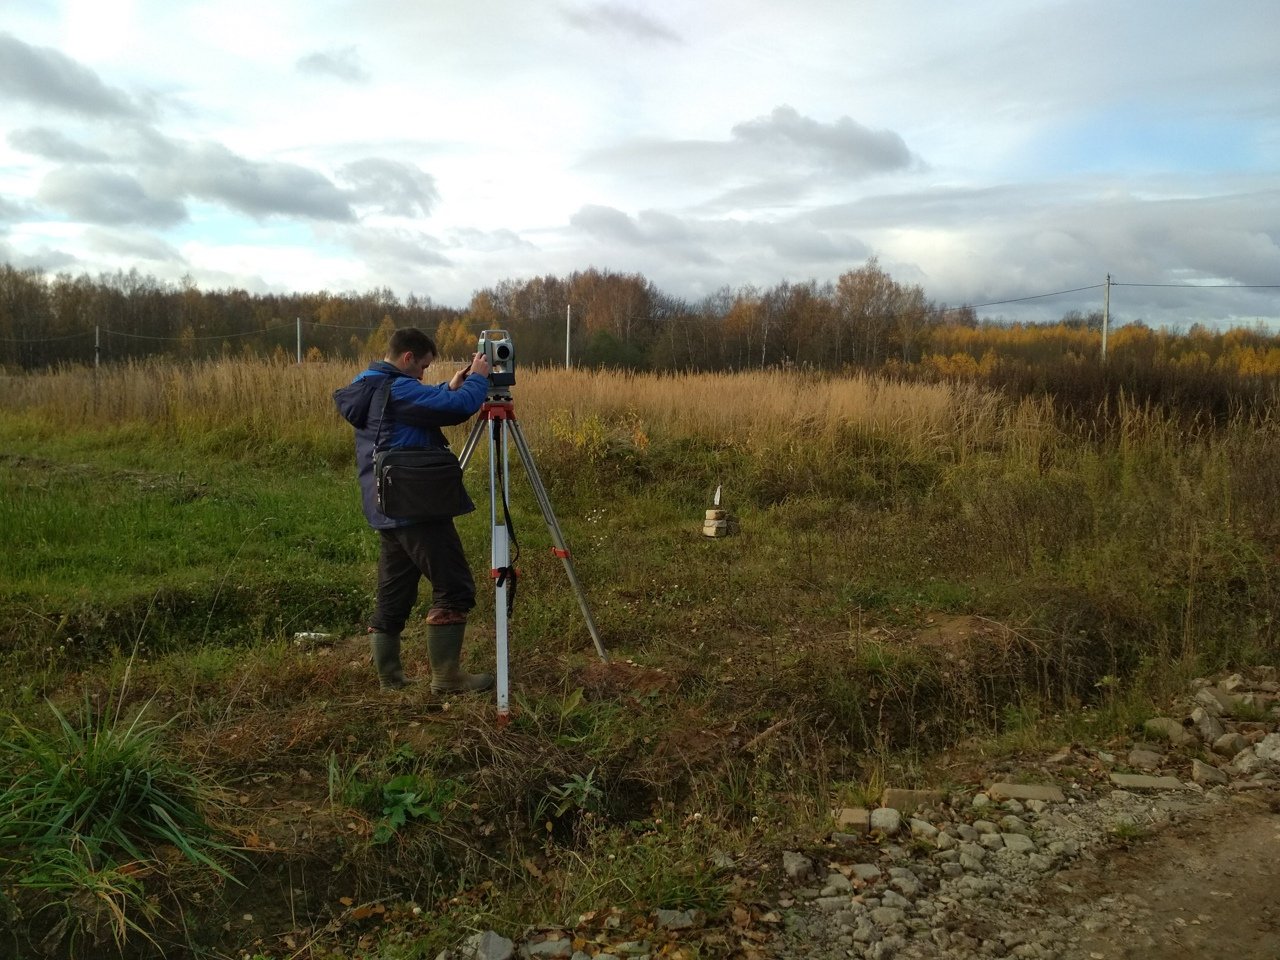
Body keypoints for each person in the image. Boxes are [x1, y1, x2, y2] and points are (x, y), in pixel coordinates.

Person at [333, 327, 494, 694]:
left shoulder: (371, 385)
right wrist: (478, 380)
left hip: (387, 507)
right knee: (453, 586)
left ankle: (390, 680)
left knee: (394, 594)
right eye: (422, 366)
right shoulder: (398, 388)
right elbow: (457, 410)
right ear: (408, 358)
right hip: (416, 507)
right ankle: (448, 678)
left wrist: (448, 386)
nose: (423, 374)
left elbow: (416, 404)